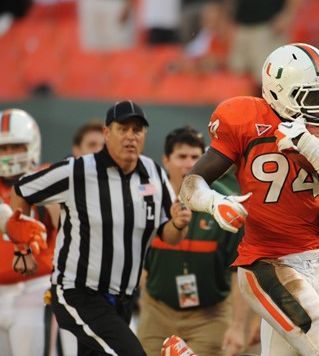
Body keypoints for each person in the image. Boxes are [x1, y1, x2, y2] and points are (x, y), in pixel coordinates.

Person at [180, 43, 319, 355]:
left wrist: (306, 142)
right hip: (264, 262)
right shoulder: (243, 117)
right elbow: (190, 184)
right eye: (312, 95)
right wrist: (214, 203)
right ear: (280, 93)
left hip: (312, 259)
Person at [10, 100, 191, 356]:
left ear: (144, 135)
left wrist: (178, 224)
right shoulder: (79, 170)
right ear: (107, 133)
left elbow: (169, 236)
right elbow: (22, 190)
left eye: (137, 130)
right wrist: (22, 248)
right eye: (123, 129)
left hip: (123, 299)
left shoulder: (153, 173)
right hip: (78, 292)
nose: (131, 136)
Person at [137, 126, 248, 356]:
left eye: (196, 158)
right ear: (166, 160)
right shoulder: (146, 199)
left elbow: (239, 272)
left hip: (209, 315)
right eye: (181, 157)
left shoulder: (224, 204)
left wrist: (238, 327)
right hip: (157, 310)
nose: (189, 164)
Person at [0, 108, 61, 356]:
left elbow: (65, 222)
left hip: (35, 292)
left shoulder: (46, 179)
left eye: (15, 147)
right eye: (3, 148)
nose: (9, 155)